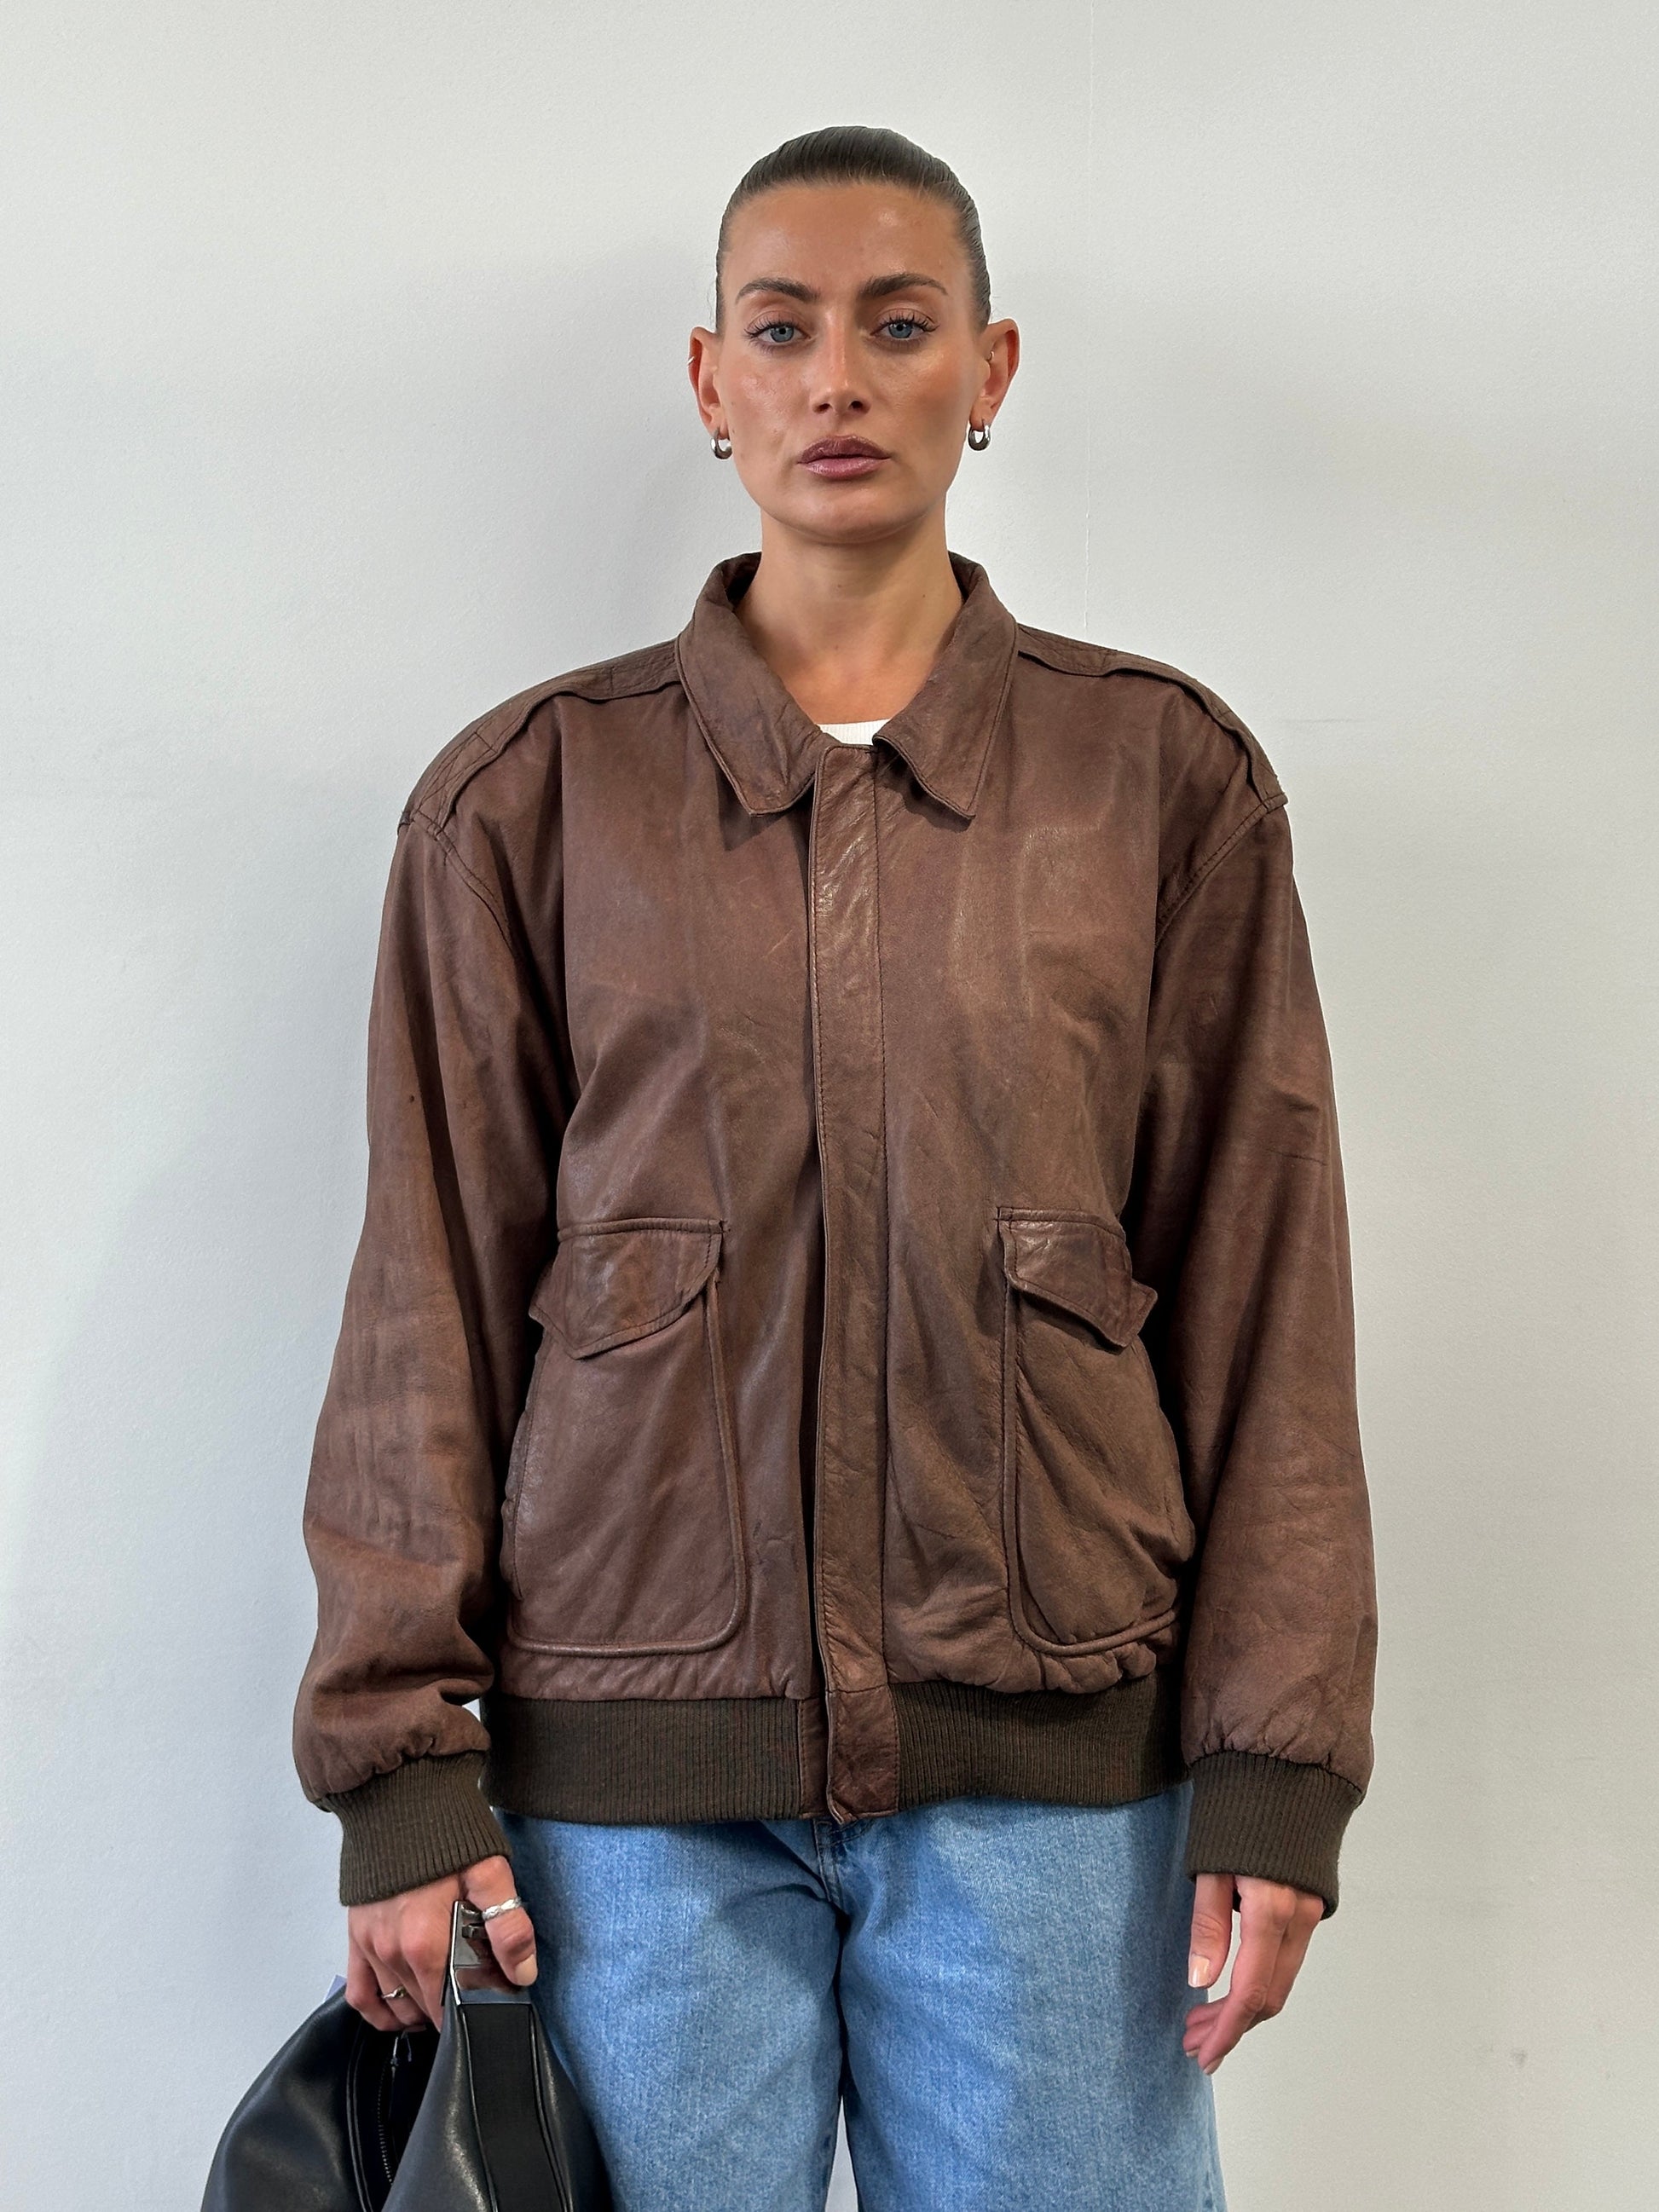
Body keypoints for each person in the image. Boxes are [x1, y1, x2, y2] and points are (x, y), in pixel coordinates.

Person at [292, 124, 1377, 2211]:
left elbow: (1265, 1291)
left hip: (1056, 1786)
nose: (838, 380)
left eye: (899, 324)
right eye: (781, 330)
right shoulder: (530, 799)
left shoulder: (1154, 779)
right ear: (711, 380)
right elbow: (423, 1298)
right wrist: (402, 1762)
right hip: (624, 1811)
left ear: (990, 367)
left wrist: (1275, 1756)